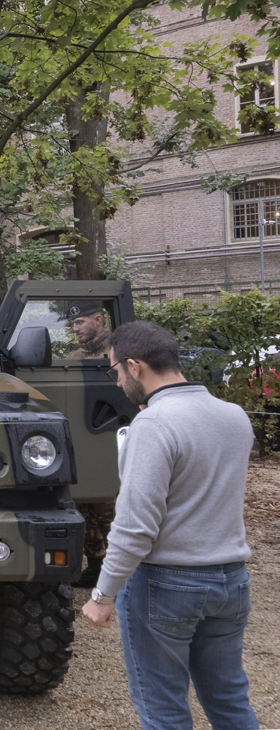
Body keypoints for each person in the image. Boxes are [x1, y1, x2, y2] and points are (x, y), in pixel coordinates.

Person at [83, 320, 258, 729]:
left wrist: (103, 594)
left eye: (115, 371)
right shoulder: (234, 416)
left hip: (167, 584)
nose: (118, 380)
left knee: (163, 710)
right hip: (231, 579)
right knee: (230, 699)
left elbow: (135, 527)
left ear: (134, 366)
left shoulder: (154, 426)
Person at [63, 301, 117, 588]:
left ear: (98, 319)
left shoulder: (119, 353)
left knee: (107, 508)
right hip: (83, 438)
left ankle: (119, 566)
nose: (76, 329)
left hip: (110, 436)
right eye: (73, 324)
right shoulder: (75, 356)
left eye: (80, 322)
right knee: (81, 505)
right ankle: (96, 566)